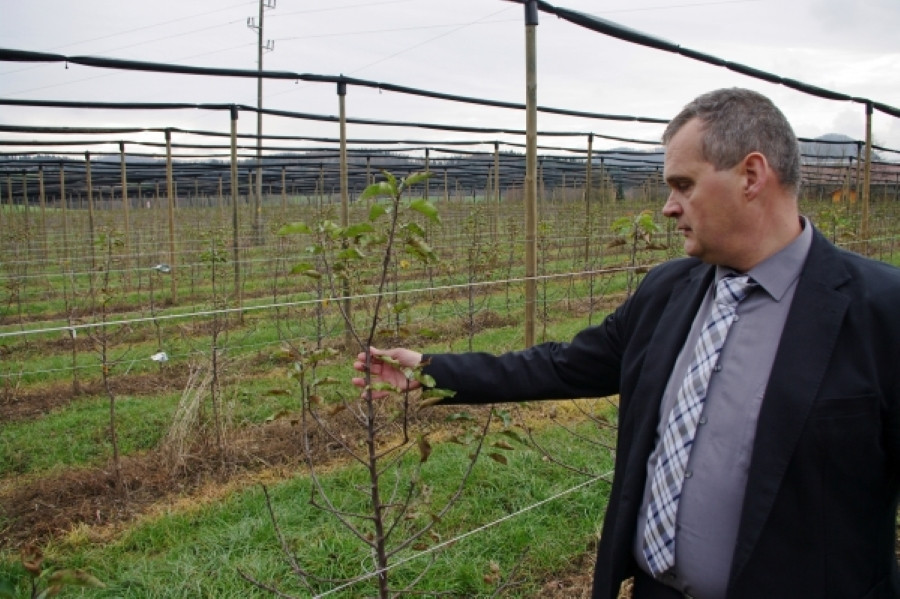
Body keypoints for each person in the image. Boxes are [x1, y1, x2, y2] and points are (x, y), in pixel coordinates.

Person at [352, 88, 900, 599]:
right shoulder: (670, 290)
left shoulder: (880, 310)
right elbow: (563, 366)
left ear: (752, 175)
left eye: (683, 185)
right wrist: (429, 370)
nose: (668, 206)